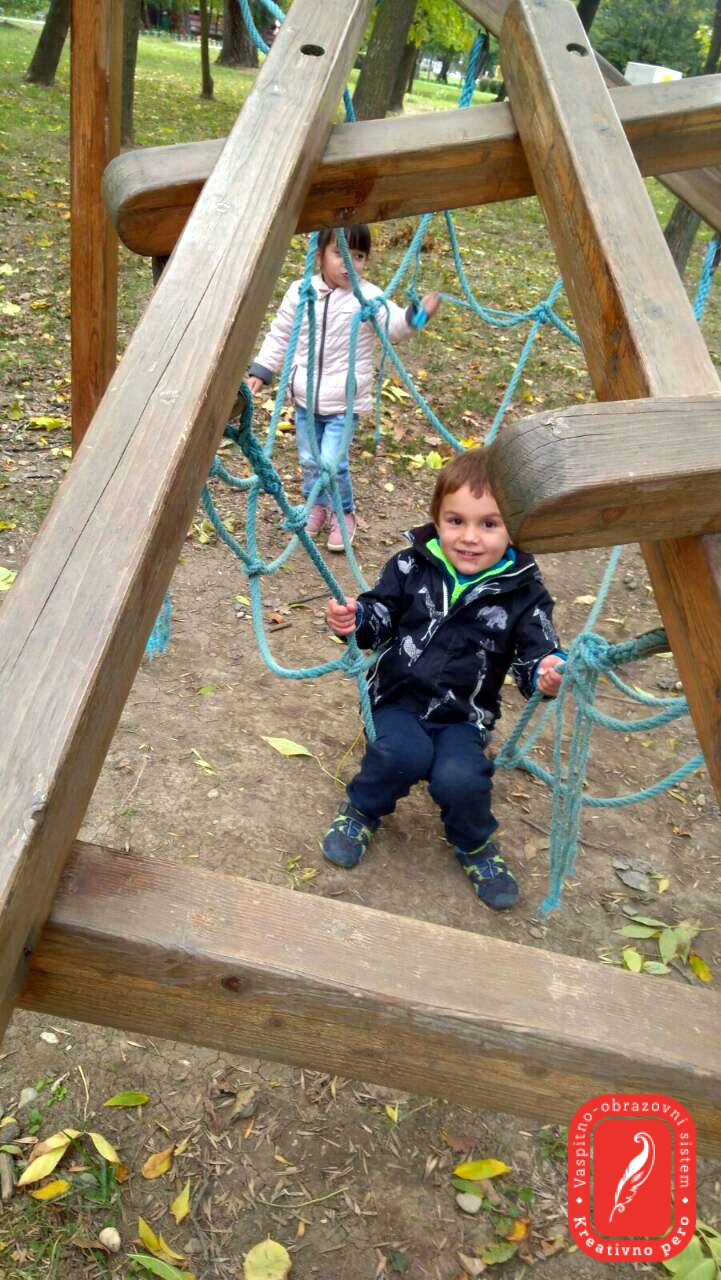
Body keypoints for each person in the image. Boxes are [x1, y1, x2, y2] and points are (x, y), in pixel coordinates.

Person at [321, 448, 565, 909]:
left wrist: (546, 673)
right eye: (456, 521)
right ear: (436, 519)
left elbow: (538, 654)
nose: (470, 537)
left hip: (464, 715)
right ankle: (362, 810)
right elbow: (380, 614)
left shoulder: (524, 592)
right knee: (400, 756)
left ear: (514, 528)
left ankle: (473, 843)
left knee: (462, 780)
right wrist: (354, 619)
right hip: (398, 698)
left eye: (489, 524)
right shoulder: (410, 566)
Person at [246, 225, 440, 552]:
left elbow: (394, 326)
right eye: (340, 253)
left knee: (332, 463)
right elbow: (280, 334)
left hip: (343, 403)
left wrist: (416, 316)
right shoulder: (300, 292)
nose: (350, 264)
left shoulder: (368, 297)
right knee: (310, 460)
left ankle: (343, 512)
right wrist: (262, 371)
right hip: (305, 398)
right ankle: (316, 506)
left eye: (359, 256)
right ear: (319, 255)